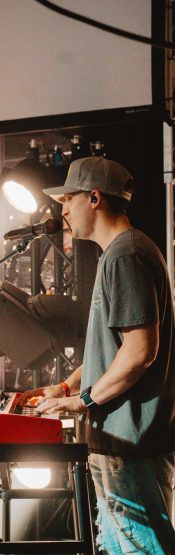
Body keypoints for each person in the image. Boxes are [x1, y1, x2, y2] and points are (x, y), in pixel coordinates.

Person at [18, 156, 175, 554]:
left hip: (129, 441)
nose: (62, 210)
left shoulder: (127, 255)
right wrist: (67, 385)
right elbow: (118, 349)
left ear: (93, 198)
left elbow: (140, 352)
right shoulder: (120, 253)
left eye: (68, 199)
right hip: (118, 440)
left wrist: (83, 399)